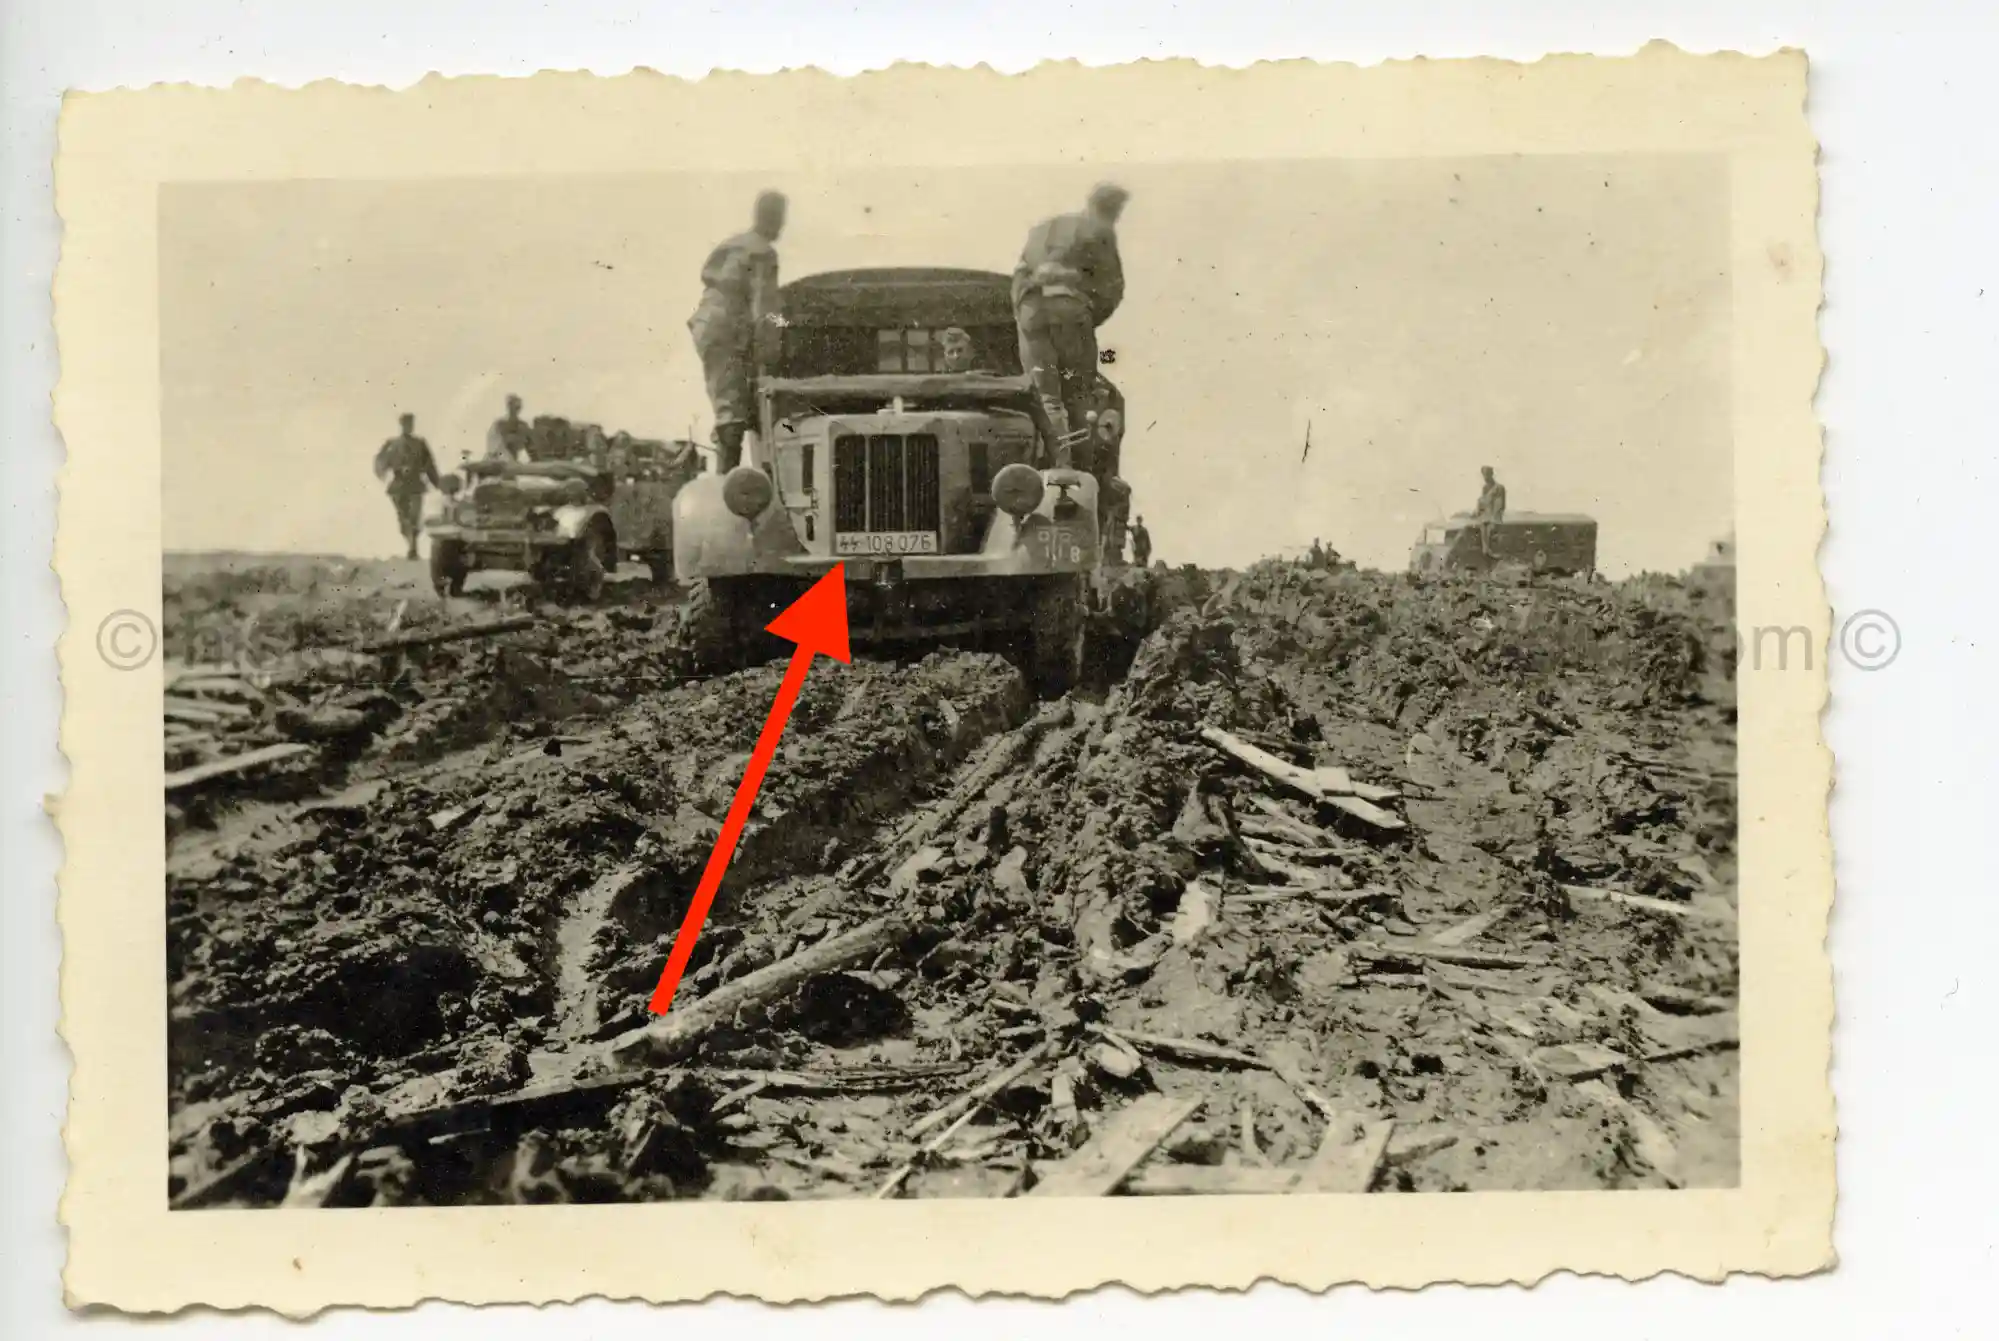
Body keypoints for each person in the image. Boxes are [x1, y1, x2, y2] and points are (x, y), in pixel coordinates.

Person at [1012, 182, 1128, 469]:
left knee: (1047, 397)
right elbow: (1113, 289)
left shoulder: (1043, 228)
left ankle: (1057, 465)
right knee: (1077, 397)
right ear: (1113, 211)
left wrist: (1026, 312)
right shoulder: (1100, 230)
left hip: (1031, 312)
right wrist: (1088, 317)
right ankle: (1077, 473)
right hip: (1070, 312)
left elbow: (1019, 277)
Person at [690, 190, 786, 473]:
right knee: (733, 412)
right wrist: (773, 354)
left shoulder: (736, 244)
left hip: (710, 325)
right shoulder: (762, 252)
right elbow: (765, 308)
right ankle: (729, 489)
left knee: (732, 405)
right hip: (728, 329)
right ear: (774, 218)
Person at [372, 413, 440, 560]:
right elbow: (380, 460)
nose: (408, 426)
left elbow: (429, 464)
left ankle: (413, 548)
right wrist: (382, 473)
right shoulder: (392, 444)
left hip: (415, 484)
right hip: (398, 486)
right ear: (401, 425)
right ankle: (411, 544)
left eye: (410, 424)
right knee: (404, 519)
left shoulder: (420, 443)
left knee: (415, 517)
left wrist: (438, 483)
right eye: (405, 424)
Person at [486, 394, 531, 462]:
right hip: (499, 457)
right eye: (513, 406)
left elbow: (524, 442)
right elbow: (505, 441)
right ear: (508, 406)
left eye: (517, 407)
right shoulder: (499, 424)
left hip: (512, 460)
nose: (515, 409)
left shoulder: (522, 425)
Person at [1474, 465, 1508, 557]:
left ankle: (1489, 551)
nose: (1485, 478)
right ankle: (1485, 551)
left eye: (1487, 475)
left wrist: (1493, 518)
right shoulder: (1485, 488)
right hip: (1485, 517)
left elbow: (1500, 505)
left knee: (1489, 528)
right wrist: (1478, 512)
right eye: (1484, 475)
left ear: (1491, 475)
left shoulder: (1499, 488)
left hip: (1494, 517)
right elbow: (1482, 502)